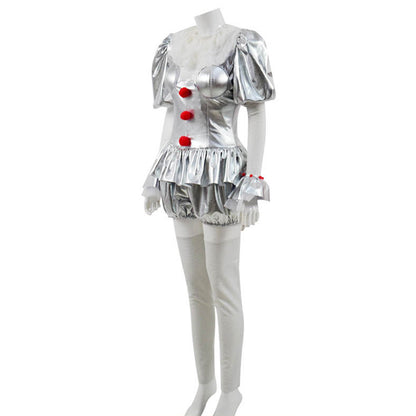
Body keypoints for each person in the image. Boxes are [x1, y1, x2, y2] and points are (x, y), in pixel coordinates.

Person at [142, 8, 276, 416]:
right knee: (196, 288)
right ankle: (205, 384)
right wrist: (154, 174)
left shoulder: (240, 42)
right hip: (179, 173)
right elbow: (172, 113)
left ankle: (231, 391)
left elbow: (255, 111)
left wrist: (252, 181)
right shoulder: (173, 44)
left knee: (223, 286)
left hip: (221, 176)